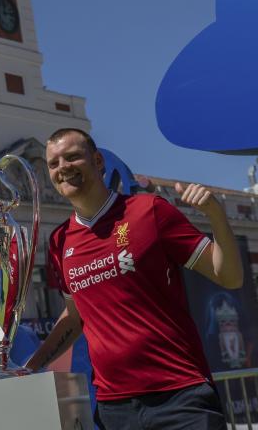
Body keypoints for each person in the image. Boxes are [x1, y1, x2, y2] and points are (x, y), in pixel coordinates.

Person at [26, 128, 243, 430]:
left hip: (180, 396)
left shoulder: (149, 211)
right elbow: (76, 317)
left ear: (98, 160)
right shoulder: (59, 241)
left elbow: (228, 276)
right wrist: (30, 367)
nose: (63, 167)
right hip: (115, 409)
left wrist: (215, 214)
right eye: (54, 163)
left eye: (73, 157)